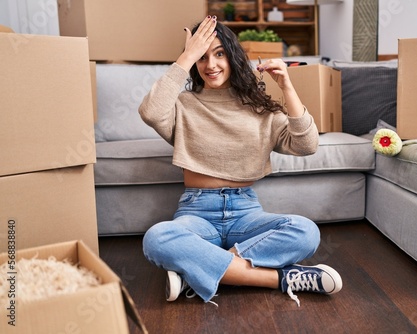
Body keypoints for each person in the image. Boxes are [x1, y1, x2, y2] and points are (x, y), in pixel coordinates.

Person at [139, 15, 342, 307]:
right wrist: (186, 56)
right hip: (197, 213)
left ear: (233, 56)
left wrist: (286, 85)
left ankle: (196, 273)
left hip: (246, 213)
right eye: (203, 57)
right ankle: (281, 278)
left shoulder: (259, 109)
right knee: (157, 239)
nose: (211, 65)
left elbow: (307, 144)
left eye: (219, 54)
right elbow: (150, 111)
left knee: (306, 232)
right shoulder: (182, 105)